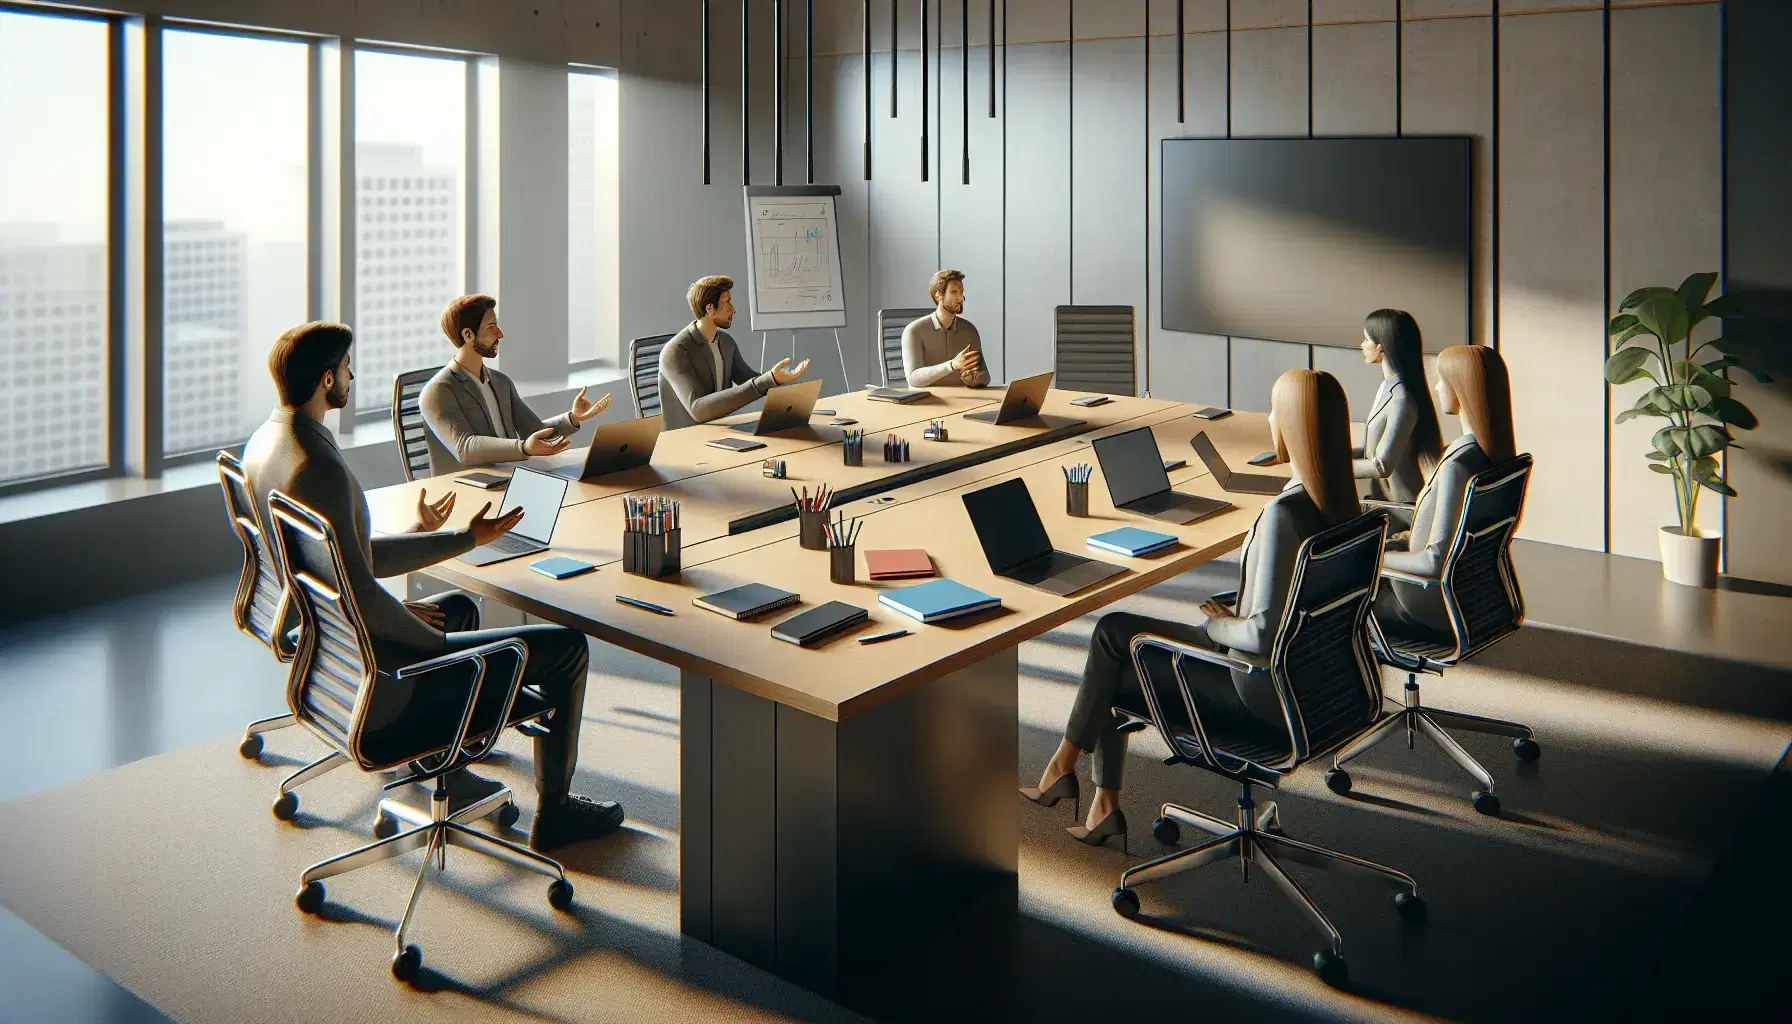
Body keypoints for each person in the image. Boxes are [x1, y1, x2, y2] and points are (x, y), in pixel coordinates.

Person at [243, 321, 626, 852]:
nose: (353, 376)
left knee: (458, 608)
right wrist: (416, 633)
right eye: (347, 368)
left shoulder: (270, 444)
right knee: (567, 648)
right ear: (327, 378)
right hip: (383, 680)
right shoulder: (319, 468)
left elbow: (351, 559)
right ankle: (556, 814)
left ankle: (447, 767)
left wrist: (463, 537)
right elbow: (358, 588)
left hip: (336, 655)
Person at [1022, 369, 1361, 847]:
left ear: (1292, 425)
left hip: (1258, 688)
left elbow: (1263, 635)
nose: (1267, 418)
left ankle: (1065, 772)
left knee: (1113, 645)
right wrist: (1239, 611)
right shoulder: (1345, 506)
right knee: (1115, 644)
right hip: (1322, 686)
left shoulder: (1285, 515)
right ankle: (1098, 802)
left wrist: (1220, 624)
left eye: (1272, 410)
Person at [1375, 344, 1517, 637]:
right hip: (1475, 597)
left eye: (1442, 380)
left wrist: (1374, 560)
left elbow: (1434, 561)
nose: (1437, 387)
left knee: (1324, 615)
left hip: (1422, 599)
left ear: (1460, 387)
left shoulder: (1458, 465)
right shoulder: (1494, 458)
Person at [419, 294, 613, 475]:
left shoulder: (500, 382)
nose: (500, 334)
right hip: (469, 487)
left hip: (513, 474)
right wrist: (523, 448)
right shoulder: (438, 391)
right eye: (491, 327)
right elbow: (464, 448)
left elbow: (534, 431)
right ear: (468, 335)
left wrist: (573, 418)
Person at [658, 275, 809, 428]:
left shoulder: (726, 343)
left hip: (721, 430)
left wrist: (778, 379)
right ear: (710, 308)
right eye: (727, 303)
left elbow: (748, 379)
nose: (733, 310)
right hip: (684, 440)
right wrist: (767, 379)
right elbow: (698, 410)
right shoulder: (675, 352)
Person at [1353, 309, 1444, 503]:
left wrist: (1334, 469)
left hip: (1399, 506)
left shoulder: (1401, 400)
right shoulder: (1387, 388)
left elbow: (1381, 466)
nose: (1362, 345)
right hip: (1380, 499)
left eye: (1367, 340)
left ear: (1381, 346)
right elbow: (1370, 449)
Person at [901, 269, 990, 388]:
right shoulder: (914, 331)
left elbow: (985, 376)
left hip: (965, 401)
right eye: (954, 292)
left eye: (961, 292)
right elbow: (913, 379)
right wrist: (952, 365)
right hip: (930, 402)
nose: (961, 298)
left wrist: (973, 379)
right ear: (938, 295)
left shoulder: (969, 330)